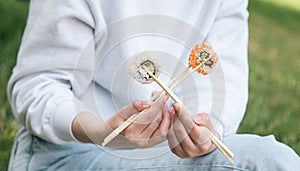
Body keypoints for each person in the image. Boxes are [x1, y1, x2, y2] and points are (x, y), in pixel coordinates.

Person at [7, 0, 300, 170]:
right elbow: (37, 84)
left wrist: (209, 130)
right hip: (69, 153)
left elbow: (225, 80)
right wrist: (101, 130)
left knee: (272, 161)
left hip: (165, 156)